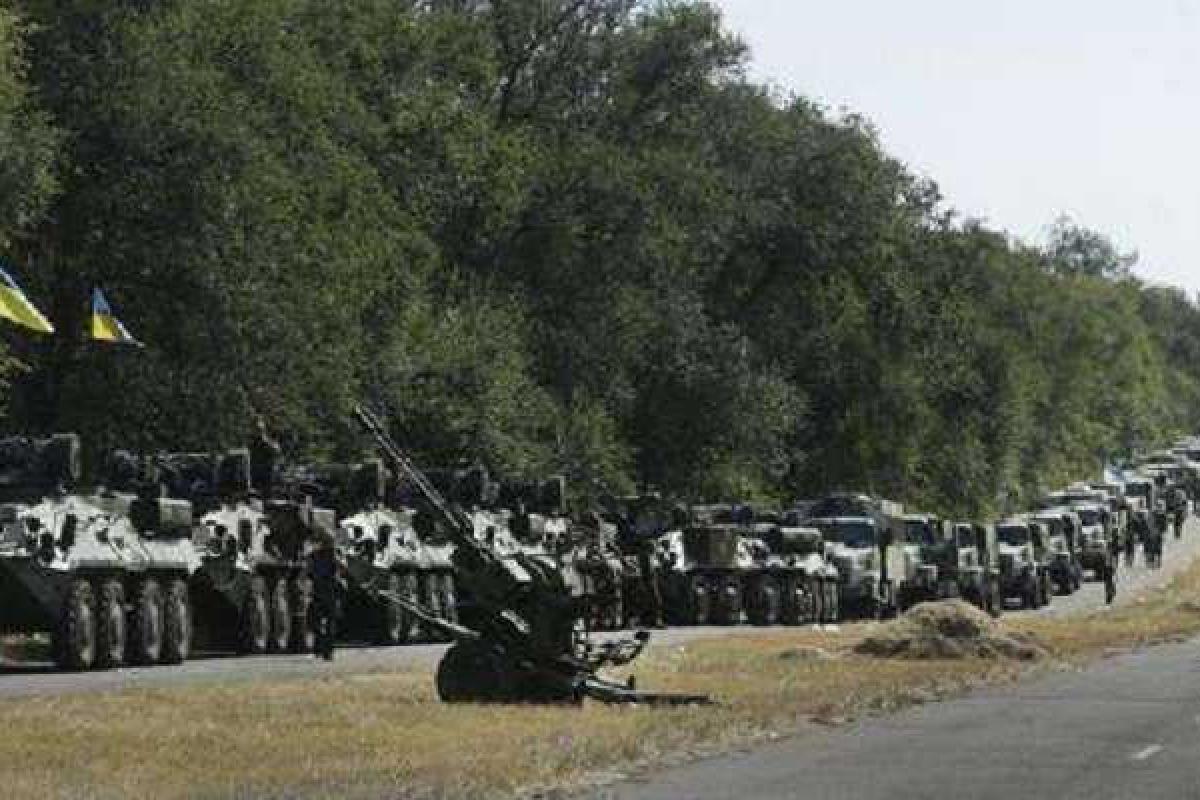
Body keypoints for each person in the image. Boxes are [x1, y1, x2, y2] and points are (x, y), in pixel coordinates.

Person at [309, 530, 339, 661]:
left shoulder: (315, 556)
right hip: (327, 591)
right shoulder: (332, 556)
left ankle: (321, 649)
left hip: (321, 591)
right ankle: (326, 650)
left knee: (319, 623)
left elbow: (310, 573)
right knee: (328, 624)